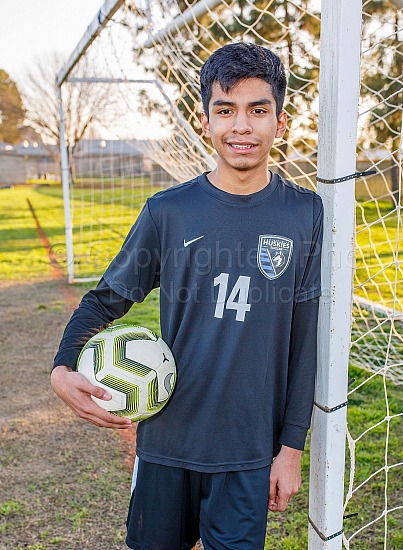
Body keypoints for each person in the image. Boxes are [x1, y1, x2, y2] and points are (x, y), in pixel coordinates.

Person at [51, 42, 323, 550]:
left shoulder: (305, 214)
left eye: (258, 110)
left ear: (280, 122)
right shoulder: (169, 212)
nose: (241, 125)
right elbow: (105, 299)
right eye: (225, 110)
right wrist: (63, 366)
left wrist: (289, 449)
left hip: (248, 452)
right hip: (167, 443)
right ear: (205, 122)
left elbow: (303, 343)